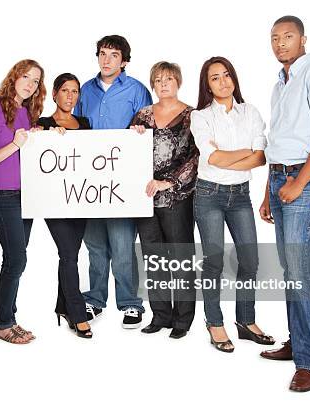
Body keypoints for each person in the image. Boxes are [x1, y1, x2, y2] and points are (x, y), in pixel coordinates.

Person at [259, 16, 310, 392]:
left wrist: (299, 182)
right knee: (291, 267)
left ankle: (309, 361)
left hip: (306, 177)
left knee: (301, 268)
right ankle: (298, 342)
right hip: (281, 176)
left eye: (288, 37)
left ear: (303, 39)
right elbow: (280, 140)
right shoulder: (281, 83)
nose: (280, 44)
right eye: (275, 38)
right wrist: (268, 192)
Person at [190, 56, 274, 353]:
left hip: (240, 195)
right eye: (215, 77)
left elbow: (261, 156)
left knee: (250, 261)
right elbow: (211, 158)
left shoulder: (250, 112)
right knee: (213, 262)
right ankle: (214, 322)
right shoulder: (200, 117)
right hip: (208, 194)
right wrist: (242, 153)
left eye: (227, 75)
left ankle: (246, 321)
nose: (223, 81)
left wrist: (227, 155)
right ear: (207, 85)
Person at [74, 35, 153, 328]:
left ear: (124, 61)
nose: (106, 60)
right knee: (94, 245)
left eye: (114, 55)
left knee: (122, 245)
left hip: (122, 183)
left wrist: (140, 131)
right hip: (90, 183)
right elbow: (76, 130)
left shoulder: (137, 91)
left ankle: (130, 303)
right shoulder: (85, 90)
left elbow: (148, 130)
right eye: (103, 54)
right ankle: (94, 299)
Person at [0, 59, 46, 344]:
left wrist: (38, 140)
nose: (29, 83)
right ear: (13, 77)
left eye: (36, 80)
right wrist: (15, 144)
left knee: (15, 260)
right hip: (1, 195)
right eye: (25, 76)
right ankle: (4, 323)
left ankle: (9, 318)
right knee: (17, 258)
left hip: (27, 196)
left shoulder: (28, 112)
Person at [130, 62, 198, 340]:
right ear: (153, 85)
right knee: (153, 257)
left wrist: (169, 182)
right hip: (145, 198)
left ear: (178, 81)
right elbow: (123, 152)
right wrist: (131, 136)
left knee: (180, 258)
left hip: (177, 197)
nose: (163, 84)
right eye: (158, 80)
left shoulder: (192, 115)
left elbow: (197, 155)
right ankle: (160, 315)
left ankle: (183, 319)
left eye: (168, 78)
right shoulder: (143, 115)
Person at [37, 73, 92, 339]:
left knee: (70, 254)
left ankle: (63, 306)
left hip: (81, 199)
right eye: (65, 91)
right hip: (53, 201)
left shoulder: (85, 123)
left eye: (75, 92)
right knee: (69, 254)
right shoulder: (43, 123)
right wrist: (46, 135)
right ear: (55, 94)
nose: (70, 96)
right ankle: (78, 313)